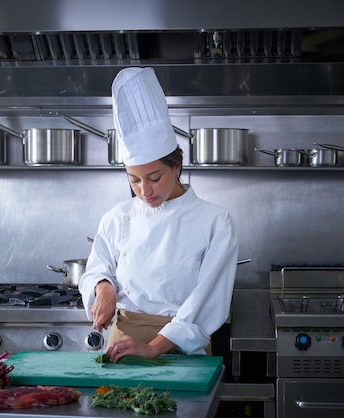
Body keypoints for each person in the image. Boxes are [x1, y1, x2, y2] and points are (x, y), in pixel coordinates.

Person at [78, 67, 239, 362]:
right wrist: (104, 289)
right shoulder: (118, 217)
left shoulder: (214, 221)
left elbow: (208, 300)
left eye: (154, 177)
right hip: (122, 343)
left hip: (182, 347)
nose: (144, 191)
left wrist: (154, 347)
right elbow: (96, 269)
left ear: (176, 167)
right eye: (134, 180)